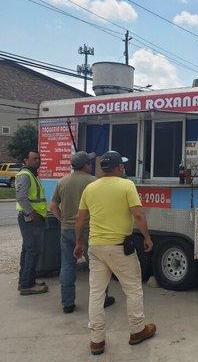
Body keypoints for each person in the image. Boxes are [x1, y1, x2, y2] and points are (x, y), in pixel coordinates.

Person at [73, 151, 156, 355]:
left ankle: (96, 341)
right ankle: (137, 330)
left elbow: (79, 219)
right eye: (123, 166)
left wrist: (78, 243)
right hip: (120, 248)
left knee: (96, 293)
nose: (124, 169)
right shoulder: (126, 185)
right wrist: (147, 237)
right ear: (118, 168)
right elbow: (138, 215)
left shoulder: (90, 188)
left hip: (96, 248)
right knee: (133, 289)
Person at [50, 151, 115, 314]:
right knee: (97, 266)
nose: (91, 164)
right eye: (90, 162)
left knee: (67, 266)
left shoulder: (62, 182)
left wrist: (62, 219)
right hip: (88, 229)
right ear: (86, 165)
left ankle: (67, 303)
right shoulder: (93, 181)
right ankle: (102, 299)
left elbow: (53, 206)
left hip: (66, 229)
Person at [15, 150, 49, 295]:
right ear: (26, 160)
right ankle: (27, 285)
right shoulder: (25, 175)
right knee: (33, 251)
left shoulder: (32, 174)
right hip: (30, 219)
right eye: (34, 158)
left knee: (28, 250)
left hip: (33, 218)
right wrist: (32, 213)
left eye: (39, 158)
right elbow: (21, 197)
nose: (38, 161)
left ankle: (25, 280)